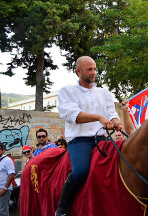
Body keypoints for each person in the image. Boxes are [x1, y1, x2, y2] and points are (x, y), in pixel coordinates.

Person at [56, 56, 122, 216]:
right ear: (78, 71)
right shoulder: (67, 92)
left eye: (94, 69)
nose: (93, 72)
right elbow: (73, 115)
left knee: (121, 166)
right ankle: (62, 209)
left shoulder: (104, 92)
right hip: (80, 140)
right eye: (89, 69)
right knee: (81, 172)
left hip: (102, 138)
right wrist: (99, 117)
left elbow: (111, 111)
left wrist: (115, 121)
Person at [0, 143, 15, 216]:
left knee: (3, 211)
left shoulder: (7, 160)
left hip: (4, 189)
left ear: (3, 150)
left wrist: (4, 188)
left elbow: (11, 175)